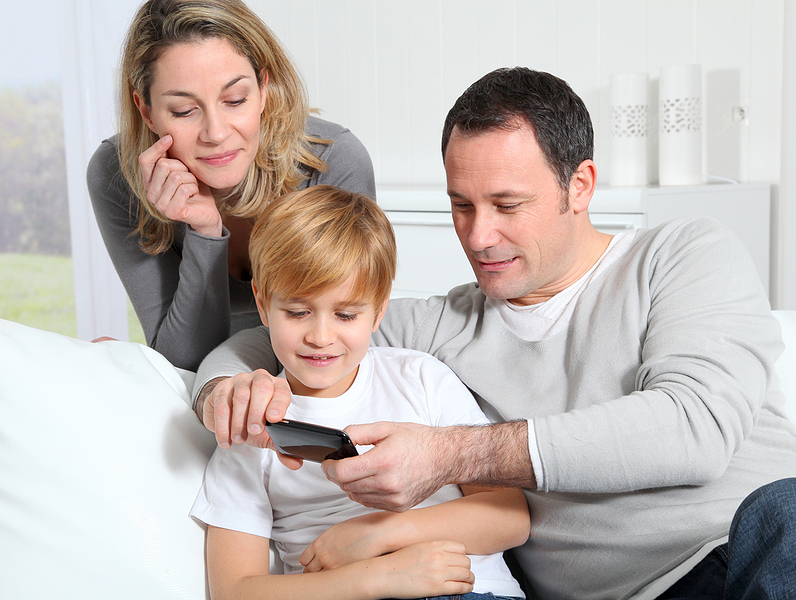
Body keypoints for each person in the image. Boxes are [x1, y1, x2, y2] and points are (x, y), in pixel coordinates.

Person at [193, 67, 796, 599]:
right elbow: (272, 332)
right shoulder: (437, 326)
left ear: (580, 186)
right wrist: (227, 392)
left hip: (751, 546)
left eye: (507, 205)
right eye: (462, 205)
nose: (478, 237)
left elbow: (695, 428)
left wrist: (450, 452)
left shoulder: (681, 255)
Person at [190, 185, 528, 600]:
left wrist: (377, 534)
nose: (320, 336)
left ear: (379, 309)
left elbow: (511, 517)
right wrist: (377, 578)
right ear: (262, 303)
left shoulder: (421, 377)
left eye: (346, 314)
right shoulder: (251, 430)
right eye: (297, 312)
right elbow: (235, 591)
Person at [86, 0, 375, 372]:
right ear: (146, 111)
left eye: (235, 100)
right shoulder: (115, 174)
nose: (216, 133)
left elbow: (335, 348)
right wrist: (204, 233)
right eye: (184, 111)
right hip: (206, 393)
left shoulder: (335, 161)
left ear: (263, 88)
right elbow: (181, 362)